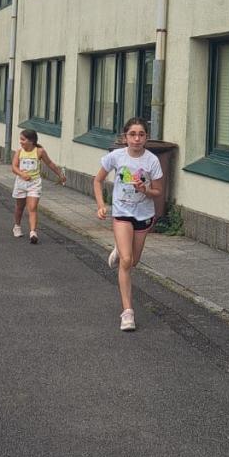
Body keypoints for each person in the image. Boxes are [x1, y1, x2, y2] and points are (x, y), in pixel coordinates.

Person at [93, 117, 162, 331]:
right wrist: (101, 205)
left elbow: (158, 192)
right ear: (125, 138)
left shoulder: (152, 161)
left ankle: (120, 248)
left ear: (146, 138)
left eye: (141, 134)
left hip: (143, 214)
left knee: (133, 261)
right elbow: (97, 180)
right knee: (126, 261)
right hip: (122, 213)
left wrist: (145, 190)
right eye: (132, 134)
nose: (137, 139)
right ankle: (128, 312)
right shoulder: (116, 156)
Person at [11, 128, 66, 245]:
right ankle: (17, 226)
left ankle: (33, 232)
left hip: (34, 183)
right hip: (21, 183)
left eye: (23, 140)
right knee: (20, 207)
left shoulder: (39, 151)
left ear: (31, 141)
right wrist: (22, 174)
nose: (20, 142)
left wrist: (60, 174)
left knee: (32, 207)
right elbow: (14, 167)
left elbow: (49, 163)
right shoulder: (19, 152)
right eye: (20, 139)